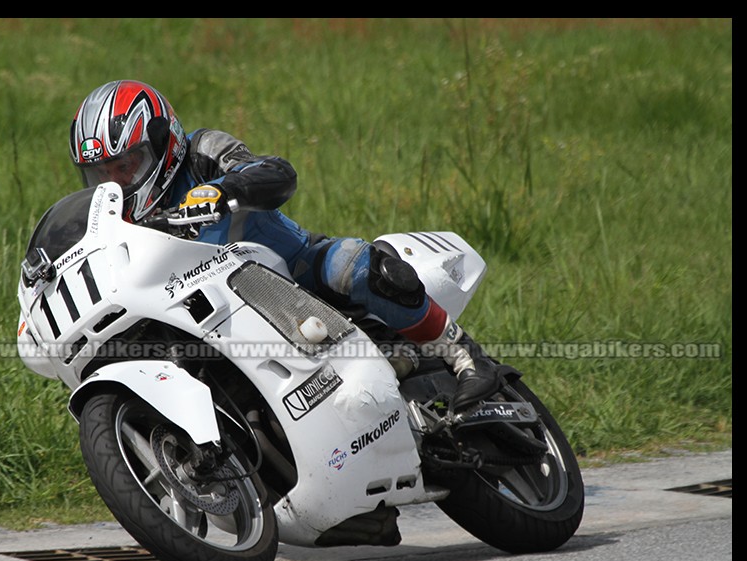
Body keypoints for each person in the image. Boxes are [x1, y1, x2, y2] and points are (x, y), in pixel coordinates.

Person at [68, 79, 499, 412]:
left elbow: (273, 170)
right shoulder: (117, 219)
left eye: (124, 165)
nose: (115, 182)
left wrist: (222, 189)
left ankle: (464, 355)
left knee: (361, 267)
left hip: (292, 271)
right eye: (100, 174)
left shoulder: (201, 151)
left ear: (163, 142)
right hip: (211, 315)